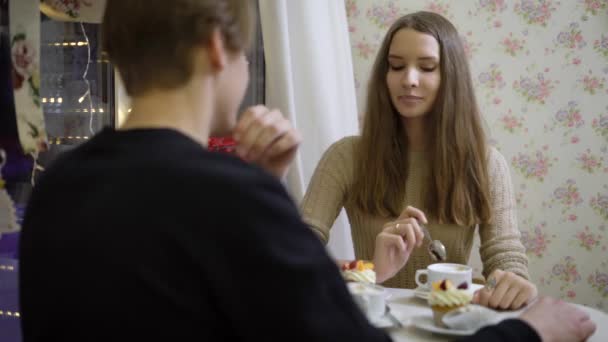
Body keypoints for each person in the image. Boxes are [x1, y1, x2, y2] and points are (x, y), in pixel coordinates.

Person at [18, 2, 595, 341]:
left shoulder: (56, 189)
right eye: (247, 54)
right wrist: (530, 331)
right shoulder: (240, 193)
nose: (410, 82)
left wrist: (258, 191)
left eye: (426, 68)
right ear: (220, 51)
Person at [301, 11, 536, 310]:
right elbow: (297, 253)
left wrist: (511, 282)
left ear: (451, 77)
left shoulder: (486, 164)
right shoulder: (346, 157)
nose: (409, 80)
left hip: (448, 323)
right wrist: (371, 272)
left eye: (427, 68)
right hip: (371, 325)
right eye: (396, 66)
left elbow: (505, 257)